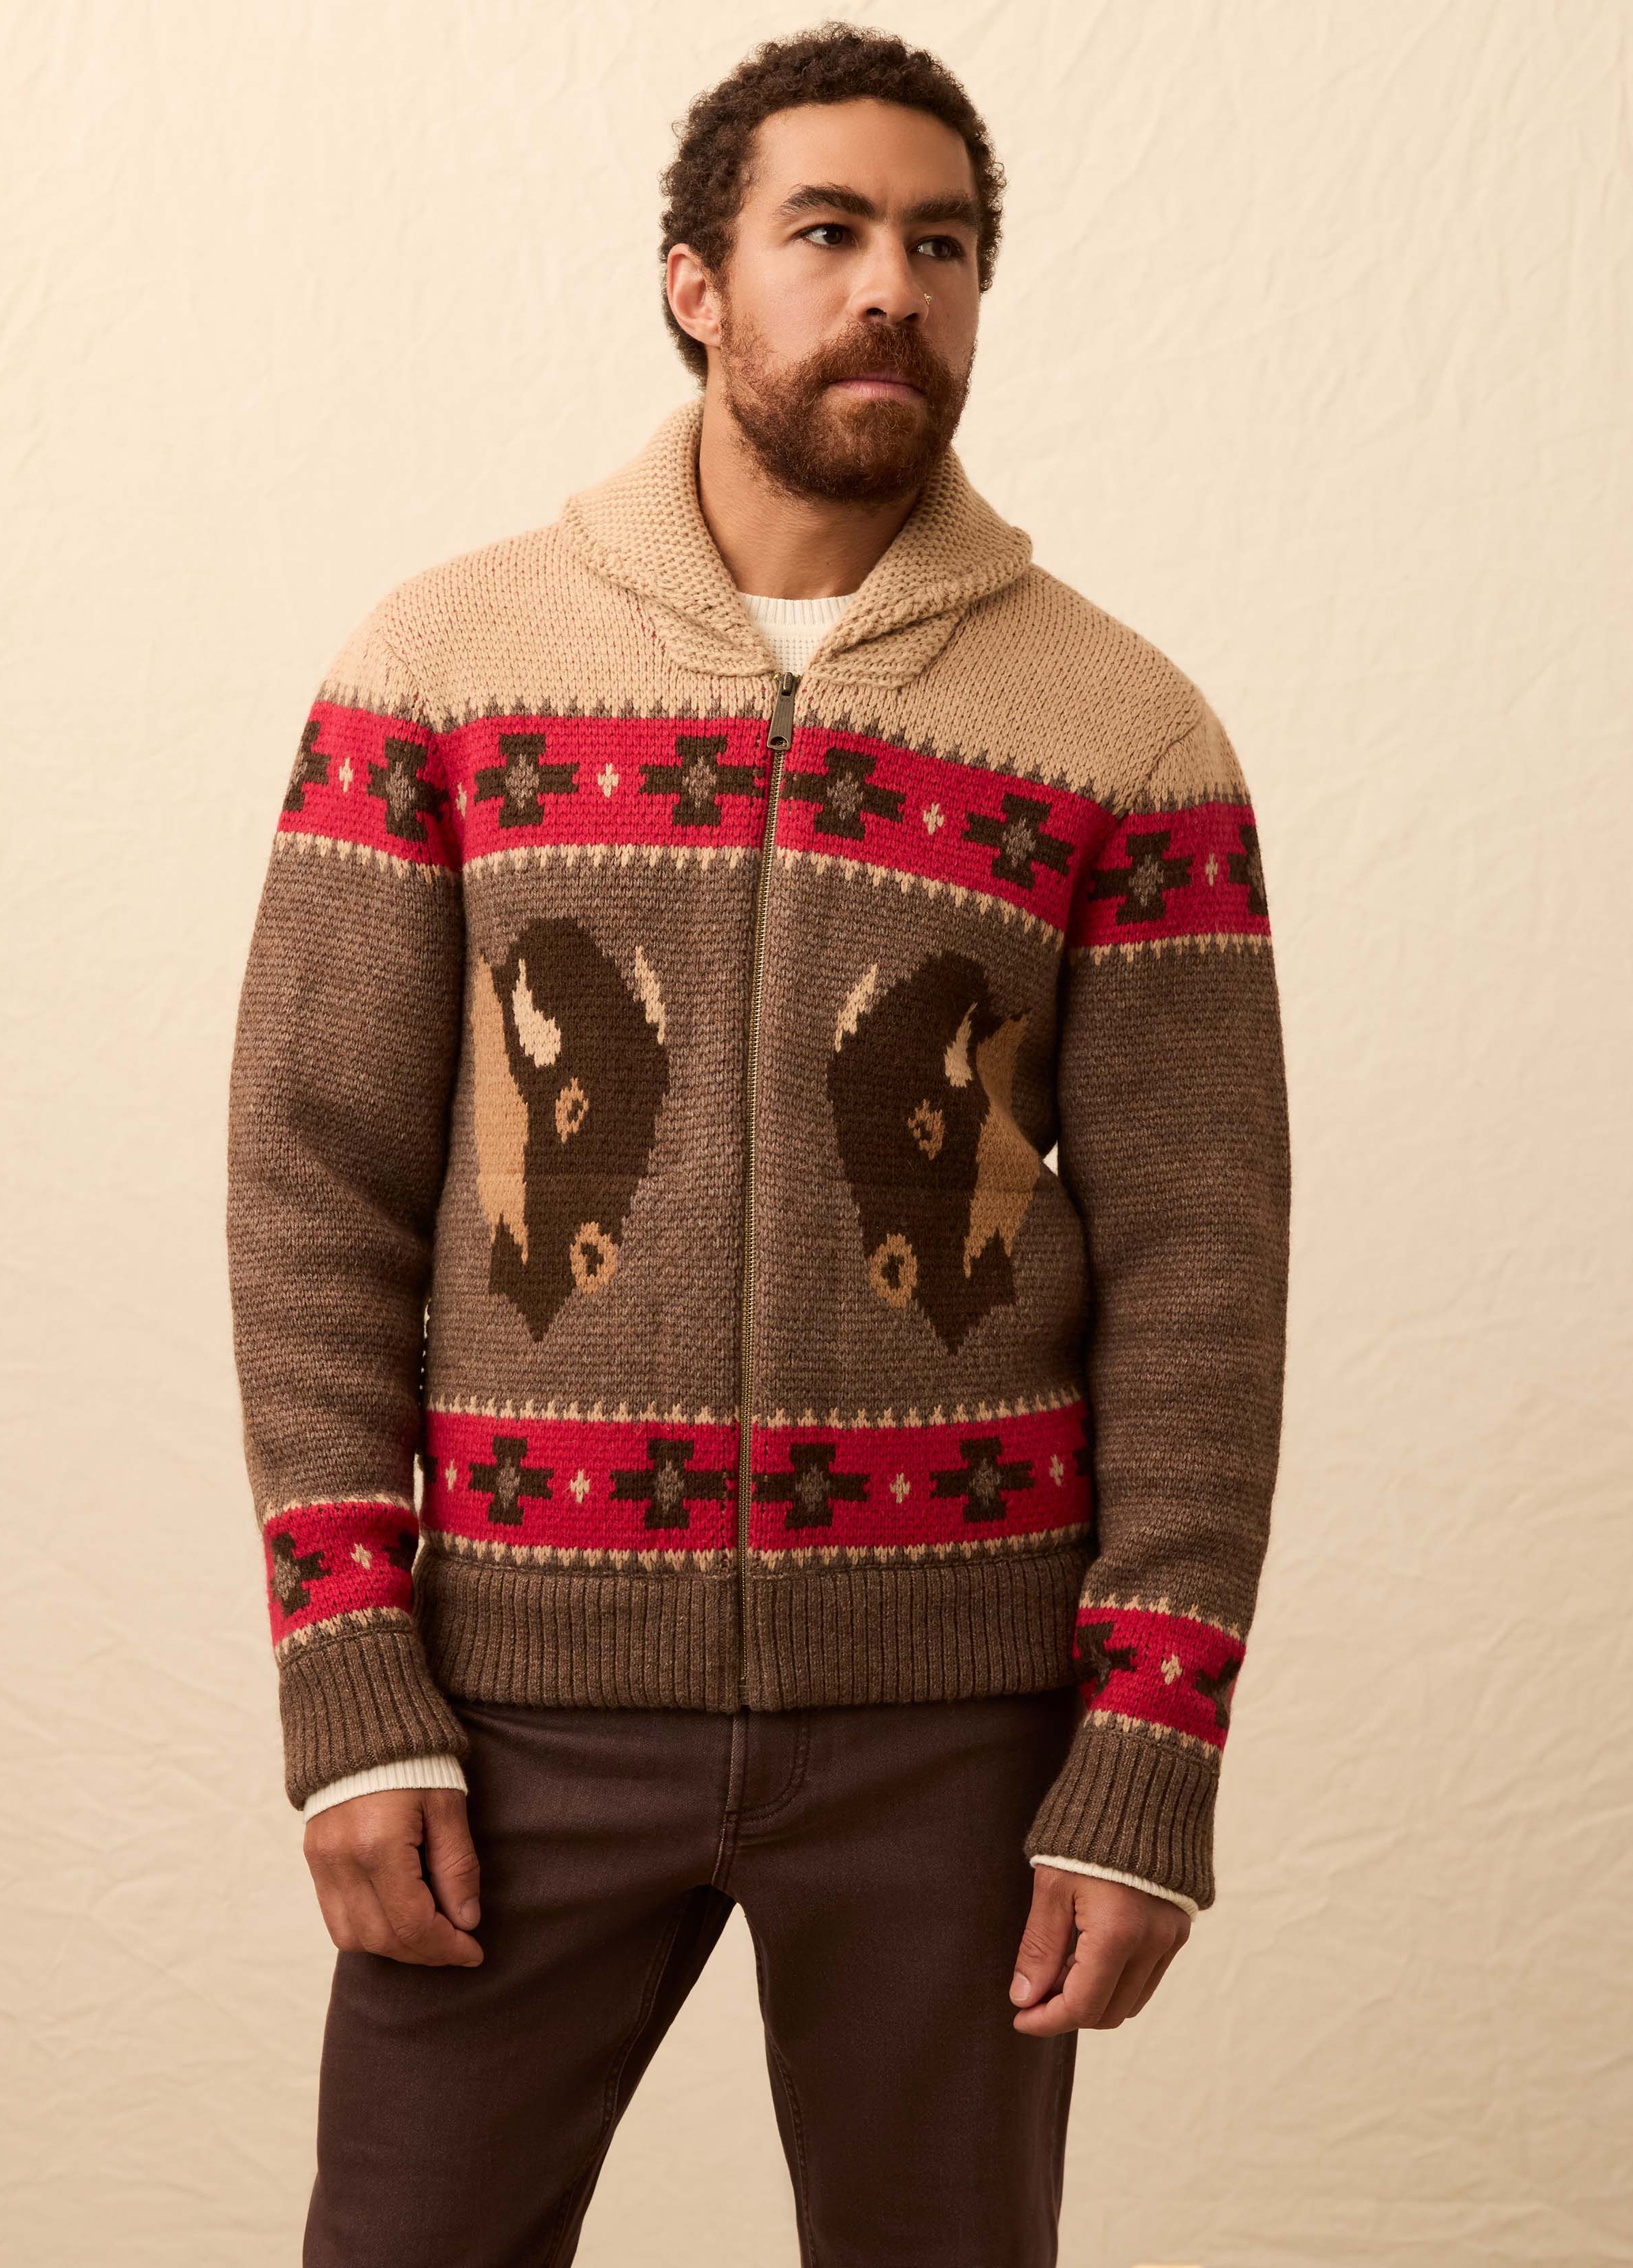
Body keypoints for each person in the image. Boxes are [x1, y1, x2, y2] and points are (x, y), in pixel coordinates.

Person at [225, 23, 1291, 2265]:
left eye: (942, 243)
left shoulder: (1121, 729)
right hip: (507, 1714)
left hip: (955, 1735)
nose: (890, 285)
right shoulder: (442, 672)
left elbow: (1204, 1257)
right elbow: (314, 1182)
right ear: (697, 282)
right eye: (826, 233)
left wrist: (1149, 1744)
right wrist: (349, 1675)